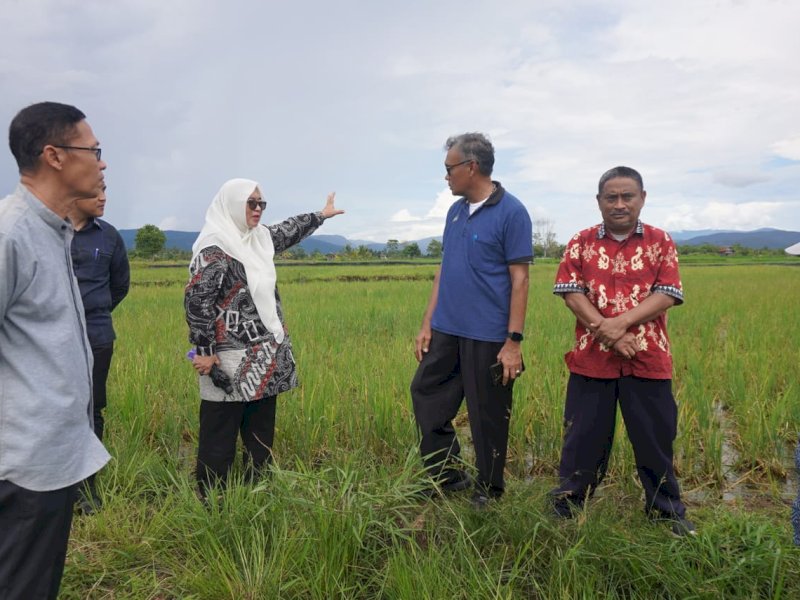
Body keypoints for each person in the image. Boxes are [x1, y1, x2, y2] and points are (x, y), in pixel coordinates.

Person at [0, 101, 110, 599]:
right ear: (55, 156)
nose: (102, 162)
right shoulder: (11, 236)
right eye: (94, 149)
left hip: (51, 458)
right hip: (24, 465)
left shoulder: (54, 230)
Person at [550, 166, 696, 536]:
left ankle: (666, 513)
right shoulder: (580, 241)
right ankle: (568, 508)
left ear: (642, 198)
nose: (619, 204)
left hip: (647, 358)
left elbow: (668, 293)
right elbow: (570, 291)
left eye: (627, 196)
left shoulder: (661, 241)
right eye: (610, 197)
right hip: (591, 360)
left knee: (655, 439)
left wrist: (619, 323)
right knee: (583, 439)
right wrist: (610, 332)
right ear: (599, 201)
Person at [185, 178, 343, 499]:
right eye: (251, 203)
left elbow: (288, 229)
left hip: (264, 357)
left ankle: (258, 493)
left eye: (262, 204)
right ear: (232, 204)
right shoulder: (215, 248)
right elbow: (197, 301)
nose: (258, 209)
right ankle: (213, 501)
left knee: (259, 434)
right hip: (227, 359)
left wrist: (320, 215)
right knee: (220, 431)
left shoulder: (258, 240)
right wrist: (203, 350)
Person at [410, 132, 532, 508]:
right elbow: (444, 270)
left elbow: (520, 278)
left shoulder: (512, 212)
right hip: (447, 329)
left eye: (449, 169)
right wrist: (428, 323)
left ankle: (489, 490)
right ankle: (447, 475)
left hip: (488, 336)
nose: (446, 177)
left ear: (471, 167)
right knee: (426, 393)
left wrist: (513, 342)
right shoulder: (455, 211)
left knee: (488, 415)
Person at [68, 186, 130, 513]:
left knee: (92, 410)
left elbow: (119, 285)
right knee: (53, 409)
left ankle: (87, 490)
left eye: (106, 191)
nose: (104, 197)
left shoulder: (109, 237)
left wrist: (95, 313)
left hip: (97, 335)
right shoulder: (50, 232)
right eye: (96, 192)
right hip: (53, 338)